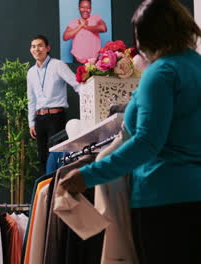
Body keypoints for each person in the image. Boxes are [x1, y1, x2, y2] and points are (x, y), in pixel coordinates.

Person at [60, 0, 201, 263]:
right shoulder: (197, 66)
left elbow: (147, 143)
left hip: (163, 201)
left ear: (147, 35)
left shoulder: (161, 73)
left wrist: (87, 175)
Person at [27, 35, 80, 174]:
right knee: (42, 158)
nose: (36, 49)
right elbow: (31, 98)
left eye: (40, 45)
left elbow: (76, 84)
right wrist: (31, 122)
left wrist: (89, 99)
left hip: (56, 117)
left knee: (57, 157)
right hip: (39, 119)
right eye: (33, 46)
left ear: (47, 48)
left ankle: (57, 190)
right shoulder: (31, 72)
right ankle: (46, 192)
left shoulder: (58, 65)